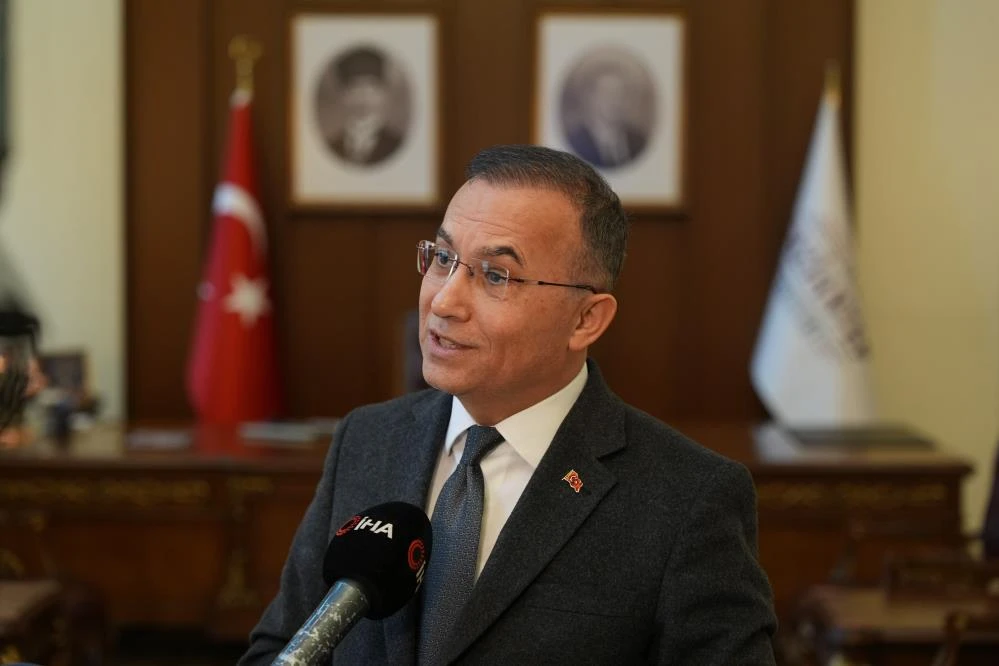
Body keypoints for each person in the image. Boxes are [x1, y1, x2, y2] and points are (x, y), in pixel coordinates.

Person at [239, 145, 777, 664]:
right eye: (442, 258)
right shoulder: (368, 440)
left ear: (586, 319)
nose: (444, 301)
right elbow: (280, 648)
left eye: (496, 275)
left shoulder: (687, 499)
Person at [323, 46, 404, 167]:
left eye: (371, 89)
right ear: (343, 96)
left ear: (383, 95)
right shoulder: (331, 147)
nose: (363, 99)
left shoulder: (397, 146)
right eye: (355, 89)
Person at [564, 59, 650, 169]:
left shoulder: (637, 141)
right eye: (607, 94)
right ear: (592, 98)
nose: (615, 101)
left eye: (620, 94)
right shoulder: (578, 140)